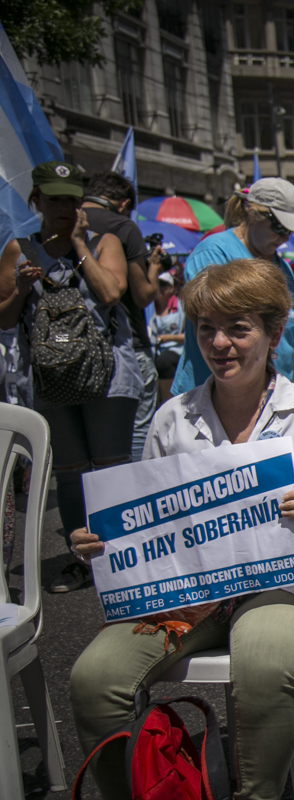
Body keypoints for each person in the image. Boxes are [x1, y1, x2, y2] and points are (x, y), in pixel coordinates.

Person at [68, 258, 294, 800]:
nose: (219, 343)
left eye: (238, 328)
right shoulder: (172, 418)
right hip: (189, 593)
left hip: (290, 585)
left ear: (274, 333)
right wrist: (104, 543)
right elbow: (148, 522)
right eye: (206, 328)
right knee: (95, 678)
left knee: (264, 660)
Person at [0, 161, 141, 593]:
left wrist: (79, 244)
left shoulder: (103, 242)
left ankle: (124, 557)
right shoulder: (19, 249)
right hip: (51, 378)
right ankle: (83, 561)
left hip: (107, 376)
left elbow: (112, 292)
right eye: (54, 199)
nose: (63, 207)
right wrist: (22, 289)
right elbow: (4, 316)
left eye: (71, 199)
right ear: (36, 200)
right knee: (70, 473)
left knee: (112, 469)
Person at [171, 178, 294, 394]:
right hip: (213, 394)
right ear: (253, 213)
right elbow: (219, 318)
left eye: (290, 230)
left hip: (269, 394)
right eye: (279, 227)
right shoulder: (213, 253)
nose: (285, 237)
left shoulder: (281, 267)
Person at [82, 172, 164, 463]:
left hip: (71, 348)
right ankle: (134, 487)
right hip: (123, 345)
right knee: (137, 430)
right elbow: (142, 295)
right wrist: (153, 268)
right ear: (124, 203)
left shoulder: (63, 221)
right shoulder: (123, 226)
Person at [149, 270, 185, 402]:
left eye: (163, 284)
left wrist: (166, 338)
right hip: (154, 350)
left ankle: (168, 402)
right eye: (157, 284)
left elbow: (188, 337)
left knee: (164, 362)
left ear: (171, 288)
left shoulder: (182, 307)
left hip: (177, 350)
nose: (159, 288)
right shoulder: (149, 308)